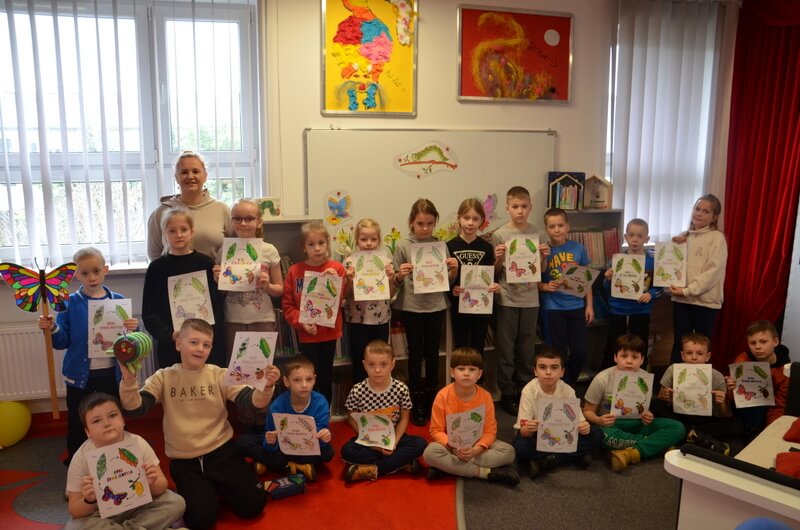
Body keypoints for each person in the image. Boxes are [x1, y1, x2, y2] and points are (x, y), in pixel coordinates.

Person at [119, 318, 278, 530]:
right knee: (201, 521)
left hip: (222, 452)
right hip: (185, 462)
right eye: (194, 342)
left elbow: (253, 403)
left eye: (206, 344)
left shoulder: (220, 374)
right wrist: (129, 380)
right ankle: (210, 490)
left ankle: (221, 486)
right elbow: (135, 408)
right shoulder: (164, 377)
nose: (200, 349)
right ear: (178, 344)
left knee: (253, 506)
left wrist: (266, 386)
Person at [37, 247, 138, 465]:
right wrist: (52, 327)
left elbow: (128, 345)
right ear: (75, 275)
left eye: (95, 271)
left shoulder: (117, 300)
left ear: (105, 270)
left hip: (111, 374)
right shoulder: (68, 303)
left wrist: (132, 329)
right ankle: (78, 466)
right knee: (78, 423)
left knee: (114, 419)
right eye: (84, 273)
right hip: (80, 376)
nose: (91, 277)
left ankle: (120, 465)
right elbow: (61, 342)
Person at [64, 393, 186, 530]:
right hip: (100, 513)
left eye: (112, 415)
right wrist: (88, 499)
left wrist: (150, 483)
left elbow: (162, 486)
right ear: (87, 432)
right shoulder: (81, 457)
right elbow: (74, 510)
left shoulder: (137, 443)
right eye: (97, 421)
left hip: (139, 505)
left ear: (123, 420)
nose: (107, 423)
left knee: (176, 503)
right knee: (74, 527)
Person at [392, 198, 458, 426]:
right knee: (415, 355)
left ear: (435, 222)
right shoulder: (402, 245)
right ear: (412, 222)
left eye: (430, 223)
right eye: (420, 223)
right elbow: (394, 279)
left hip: (435, 306)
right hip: (411, 307)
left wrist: (453, 269)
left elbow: (448, 280)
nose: (425, 228)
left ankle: (433, 400)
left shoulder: (440, 245)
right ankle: (416, 402)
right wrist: (400, 274)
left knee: (432, 354)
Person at [583, 334, 685, 472]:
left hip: (638, 423)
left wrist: (647, 415)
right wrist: (598, 420)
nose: (629, 361)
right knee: (601, 436)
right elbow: (587, 411)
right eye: (624, 356)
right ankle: (655, 444)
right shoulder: (602, 379)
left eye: (635, 357)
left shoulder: (645, 378)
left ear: (642, 359)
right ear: (615, 357)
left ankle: (630, 452)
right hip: (612, 425)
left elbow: (644, 408)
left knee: (678, 427)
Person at [142, 207, 226, 368]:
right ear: (164, 234)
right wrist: (169, 335)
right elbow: (149, 313)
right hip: (173, 346)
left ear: (192, 232)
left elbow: (217, 306)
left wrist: (219, 282)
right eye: (172, 231)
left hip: (206, 345)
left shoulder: (206, 263)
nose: (179, 234)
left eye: (184, 229)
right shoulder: (156, 268)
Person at [423, 347, 520, 486]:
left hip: (477, 445)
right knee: (429, 453)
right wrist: (453, 446)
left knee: (509, 452)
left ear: (479, 374)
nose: (466, 374)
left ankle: (448, 467)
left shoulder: (485, 396)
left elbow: (490, 431)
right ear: (452, 372)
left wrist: (476, 450)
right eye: (461, 369)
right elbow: (436, 430)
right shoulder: (442, 396)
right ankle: (484, 473)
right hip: (451, 446)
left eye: (472, 369)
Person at [491, 186, 544, 415]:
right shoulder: (500, 235)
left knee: (526, 347)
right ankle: (507, 393)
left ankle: (525, 389)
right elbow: (495, 271)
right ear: (507, 208)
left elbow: (542, 271)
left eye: (524, 207)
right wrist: (499, 259)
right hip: (507, 299)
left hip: (531, 299)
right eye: (515, 207)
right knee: (505, 348)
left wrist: (543, 256)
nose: (520, 211)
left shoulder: (537, 233)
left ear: (530, 208)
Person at [341, 339, 426, 482]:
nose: (377, 370)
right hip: (368, 439)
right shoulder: (357, 390)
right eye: (371, 365)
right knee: (347, 451)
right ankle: (401, 464)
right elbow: (351, 417)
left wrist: (393, 442)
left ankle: (374, 469)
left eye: (383, 364)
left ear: (392, 364)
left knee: (420, 444)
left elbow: (405, 418)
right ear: (364, 365)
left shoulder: (401, 389)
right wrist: (374, 446)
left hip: (393, 436)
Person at [512, 346, 603, 478]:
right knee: (519, 446)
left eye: (554, 367)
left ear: (562, 372)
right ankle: (574, 457)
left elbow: (581, 422)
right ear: (535, 371)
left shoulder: (568, 391)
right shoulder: (529, 391)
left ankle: (547, 460)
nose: (548, 372)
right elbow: (524, 431)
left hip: (566, 436)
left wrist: (585, 427)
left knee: (598, 434)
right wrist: (529, 428)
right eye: (542, 367)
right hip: (539, 435)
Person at [281, 221, 346, 403]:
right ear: (304, 247)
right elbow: (288, 305)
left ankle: (323, 415)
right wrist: (301, 322)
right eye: (311, 244)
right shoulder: (295, 271)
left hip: (329, 334)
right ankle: (307, 413)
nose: (317, 249)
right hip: (307, 335)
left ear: (327, 244)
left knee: (325, 376)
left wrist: (334, 283)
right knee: (306, 379)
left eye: (321, 243)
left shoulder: (337, 269)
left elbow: (339, 301)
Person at [213, 198, 284, 362]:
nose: (243, 223)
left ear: (259, 222)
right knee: (237, 369)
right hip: (233, 318)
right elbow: (222, 292)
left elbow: (280, 289)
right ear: (231, 221)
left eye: (249, 218)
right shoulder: (225, 250)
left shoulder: (269, 250)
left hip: (262, 318)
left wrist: (268, 286)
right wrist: (218, 281)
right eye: (237, 218)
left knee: (261, 368)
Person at [242, 356, 334, 482]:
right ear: (286, 382)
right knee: (244, 442)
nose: (304, 385)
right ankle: (297, 466)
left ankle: (273, 464)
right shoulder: (277, 405)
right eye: (297, 380)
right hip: (283, 447)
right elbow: (268, 437)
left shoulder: (321, 402)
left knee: (328, 452)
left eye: (309, 379)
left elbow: (321, 438)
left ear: (315, 380)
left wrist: (324, 436)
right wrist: (271, 441)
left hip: (305, 448)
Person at [653, 333, 743, 455]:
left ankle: (685, 434)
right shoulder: (673, 370)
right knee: (653, 404)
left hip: (704, 420)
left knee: (737, 425)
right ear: (682, 355)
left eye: (699, 354)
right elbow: (660, 399)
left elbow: (725, 414)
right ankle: (698, 437)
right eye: (689, 353)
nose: (694, 357)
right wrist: (665, 397)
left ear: (707, 356)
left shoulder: (717, 376)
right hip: (679, 415)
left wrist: (721, 402)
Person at [669, 193, 728, 364]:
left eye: (706, 211)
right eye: (697, 209)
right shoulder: (683, 236)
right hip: (681, 301)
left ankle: (699, 388)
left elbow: (712, 273)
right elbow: (671, 265)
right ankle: (674, 387)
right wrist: (674, 245)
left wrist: (687, 290)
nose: (699, 213)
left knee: (702, 347)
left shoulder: (717, 238)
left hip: (705, 303)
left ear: (714, 217)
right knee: (680, 345)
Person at [540, 207, 594, 384]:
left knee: (581, 351)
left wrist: (590, 305)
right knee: (558, 353)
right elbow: (534, 282)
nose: (557, 230)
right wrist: (546, 286)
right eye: (552, 226)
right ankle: (561, 389)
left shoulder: (578, 249)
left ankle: (568, 383)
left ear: (567, 226)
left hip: (576, 306)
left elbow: (587, 279)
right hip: (553, 307)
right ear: (546, 229)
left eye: (560, 225)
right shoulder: (543, 251)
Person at [147, 150, 231, 261]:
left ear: (205, 176)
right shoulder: (161, 213)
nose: (190, 176)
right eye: (184, 172)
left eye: (196, 171)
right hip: (173, 277)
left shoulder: (222, 210)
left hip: (214, 277)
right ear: (176, 177)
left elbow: (236, 247)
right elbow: (154, 255)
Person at [602, 218, 660, 368]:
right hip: (618, 311)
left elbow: (660, 286)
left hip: (640, 311)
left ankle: (639, 380)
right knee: (613, 347)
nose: (635, 239)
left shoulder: (652, 261)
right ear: (625, 237)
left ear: (647, 239)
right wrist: (608, 279)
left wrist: (651, 294)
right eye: (631, 235)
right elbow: (607, 289)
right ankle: (610, 380)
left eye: (640, 236)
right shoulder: (616, 260)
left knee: (639, 347)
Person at [343, 218, 395, 385]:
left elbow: (391, 294)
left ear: (379, 240)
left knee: (380, 360)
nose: (368, 243)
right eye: (363, 239)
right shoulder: (349, 262)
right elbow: (345, 294)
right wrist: (349, 279)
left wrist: (390, 278)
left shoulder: (385, 261)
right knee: (360, 360)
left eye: (373, 239)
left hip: (380, 318)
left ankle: (379, 399)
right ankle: (360, 403)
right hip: (357, 319)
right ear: (357, 240)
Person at [448, 198, 498, 357]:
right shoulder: (448, 246)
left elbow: (491, 276)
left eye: (475, 219)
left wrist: (493, 287)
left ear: (482, 221)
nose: (470, 223)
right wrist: (452, 289)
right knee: (461, 347)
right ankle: (460, 380)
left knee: (478, 347)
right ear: (458, 218)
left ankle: (478, 380)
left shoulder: (487, 247)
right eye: (466, 218)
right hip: (458, 306)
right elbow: (444, 278)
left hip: (481, 307)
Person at [726, 320, 791, 437]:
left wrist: (772, 431)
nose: (757, 347)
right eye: (752, 343)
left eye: (763, 341)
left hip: (768, 411)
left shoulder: (784, 370)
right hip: (741, 408)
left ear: (775, 342)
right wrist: (731, 388)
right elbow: (732, 399)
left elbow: (780, 405)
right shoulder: (742, 359)